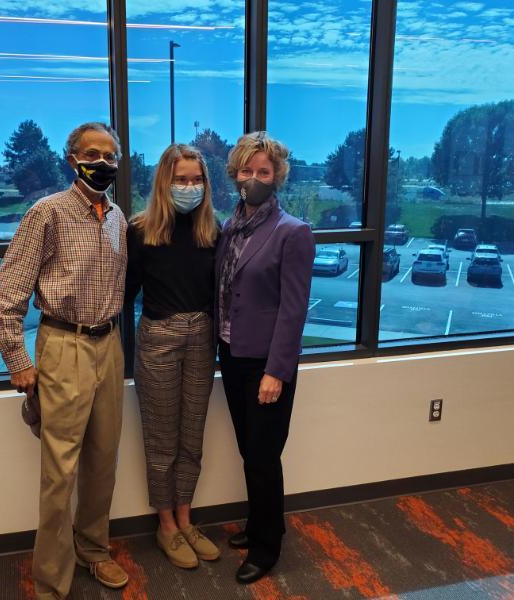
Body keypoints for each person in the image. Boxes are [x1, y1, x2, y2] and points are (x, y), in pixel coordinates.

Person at [0, 122, 129, 600]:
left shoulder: (117, 217)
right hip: (64, 343)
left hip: (109, 344)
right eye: (92, 154)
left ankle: (94, 549)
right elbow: (9, 291)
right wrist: (17, 358)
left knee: (103, 460)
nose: (102, 163)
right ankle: (52, 580)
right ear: (72, 160)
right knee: (60, 472)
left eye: (110, 156)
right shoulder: (46, 213)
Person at [215, 131, 315, 584]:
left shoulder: (292, 232)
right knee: (248, 451)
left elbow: (293, 311)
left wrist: (277, 371)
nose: (253, 178)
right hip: (233, 354)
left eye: (263, 171)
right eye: (246, 170)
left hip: (266, 365)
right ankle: (260, 525)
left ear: (277, 177)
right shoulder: (229, 228)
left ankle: (266, 547)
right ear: (235, 174)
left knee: (263, 456)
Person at [126, 144, 220, 569]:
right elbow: (124, 293)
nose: (189, 187)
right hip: (159, 338)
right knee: (162, 440)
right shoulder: (140, 230)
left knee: (192, 438)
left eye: (196, 179)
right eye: (181, 179)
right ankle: (166, 525)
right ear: (165, 182)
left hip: (202, 336)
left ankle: (186, 518)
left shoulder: (212, 230)